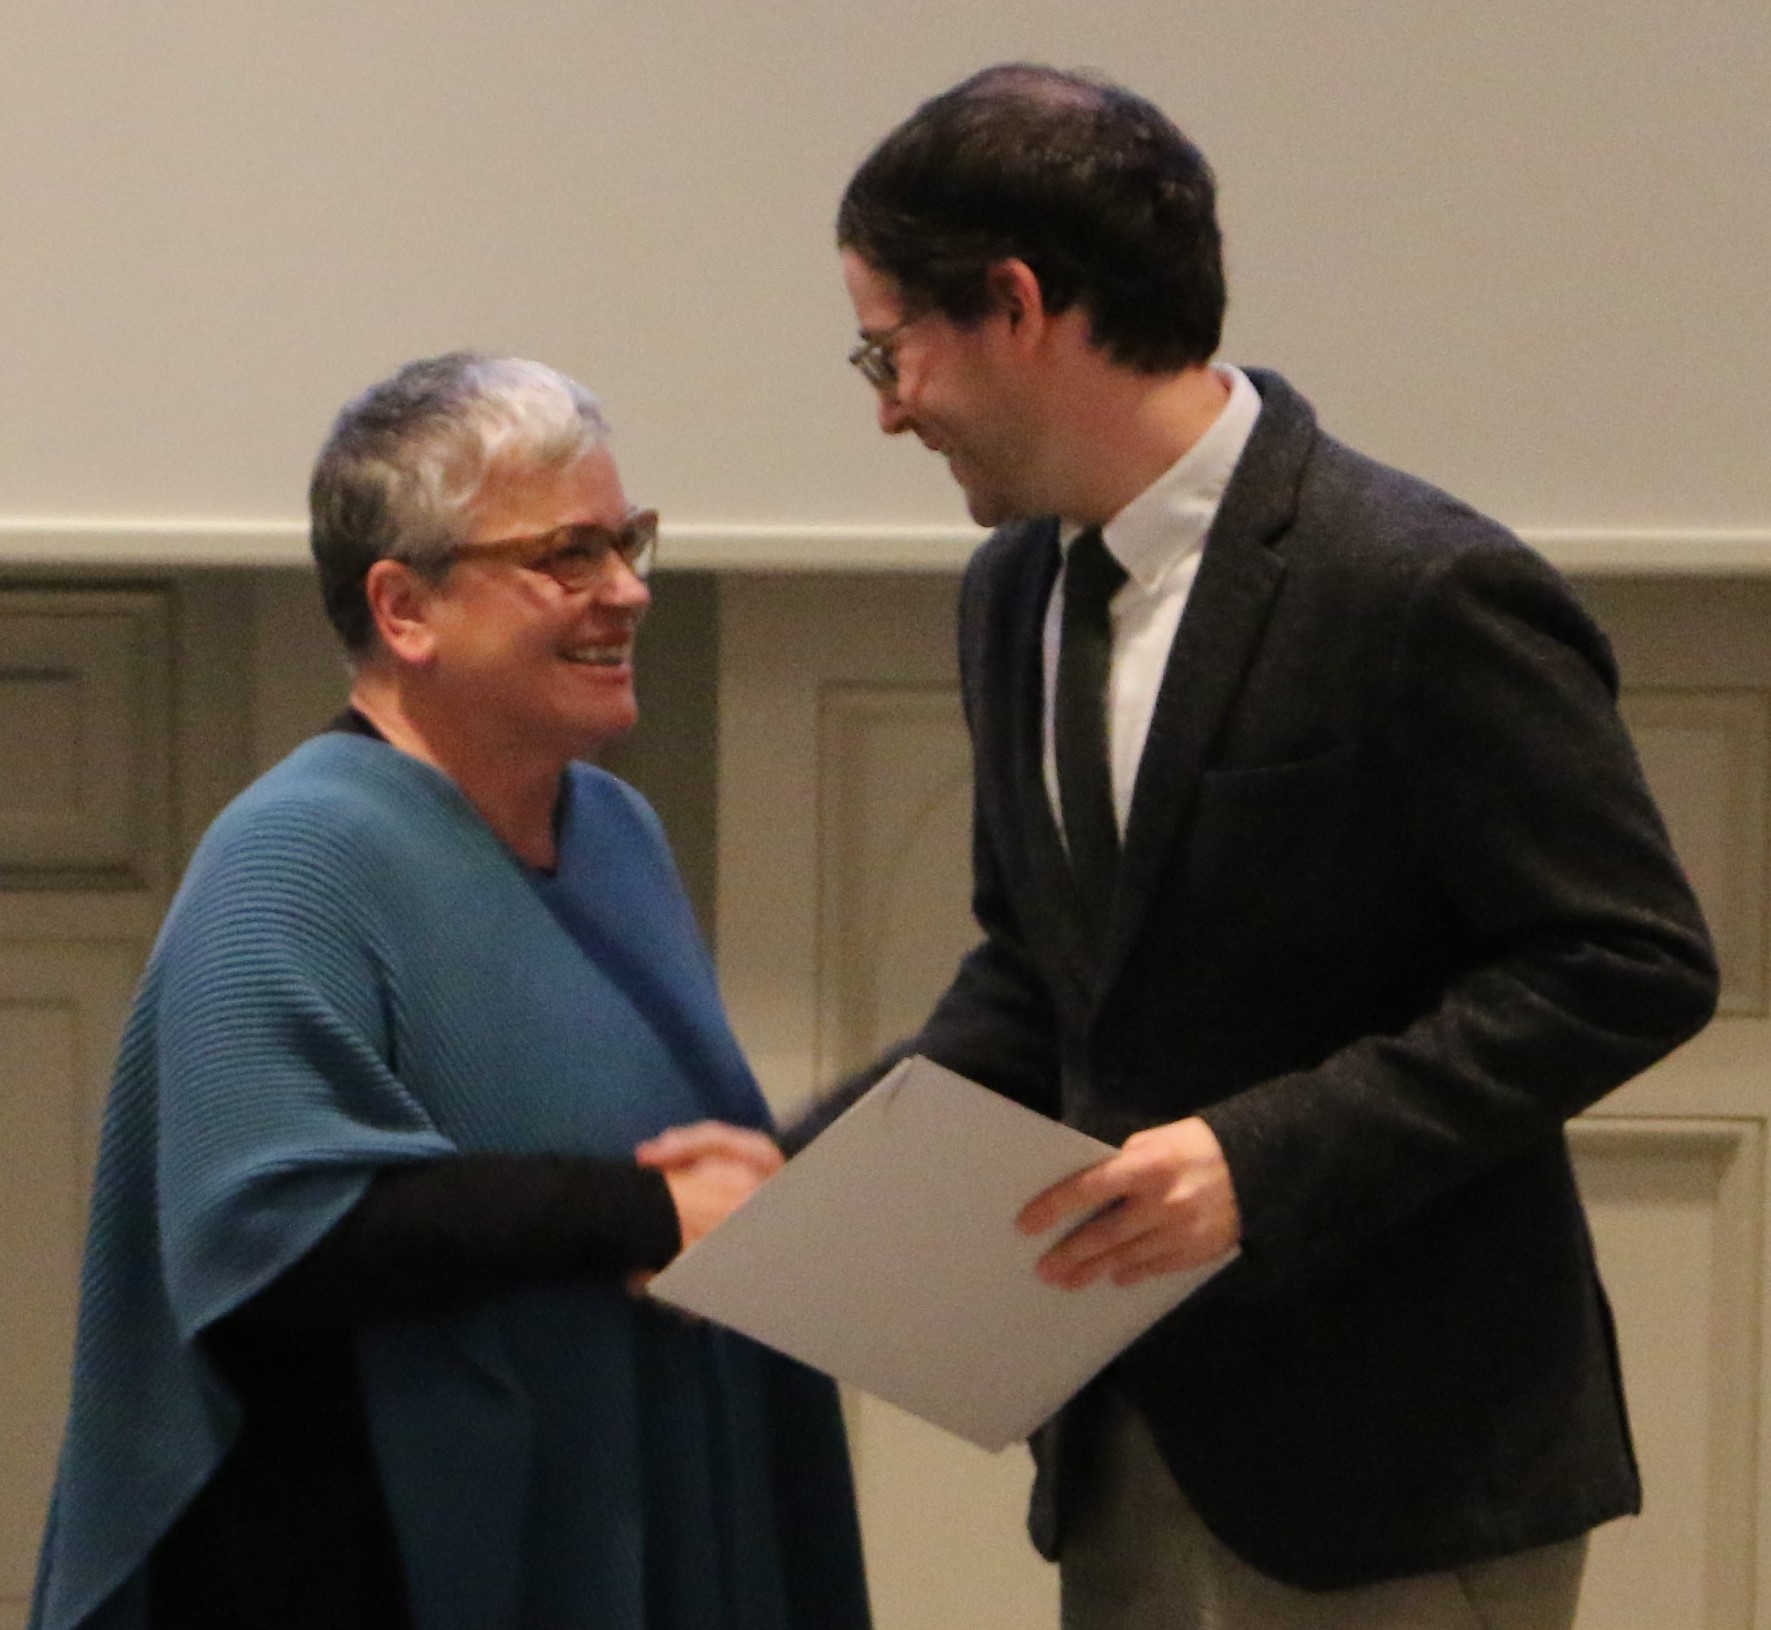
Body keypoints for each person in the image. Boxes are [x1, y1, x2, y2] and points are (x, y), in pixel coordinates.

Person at [825, 62, 1718, 1630]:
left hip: (1396, 1476)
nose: (889, 405)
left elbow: (1624, 961)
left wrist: (1258, 1159)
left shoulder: (1416, 587)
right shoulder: (1011, 593)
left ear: (1017, 304)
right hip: (1123, 1438)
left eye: (887, 348)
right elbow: (1046, 971)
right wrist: (794, 1175)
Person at [30, 352, 871, 1630]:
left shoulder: (617, 834)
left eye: (627, 541)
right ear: (404, 607)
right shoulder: (293, 856)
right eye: (567, 557)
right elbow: (281, 1236)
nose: (628, 592)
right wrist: (639, 1212)